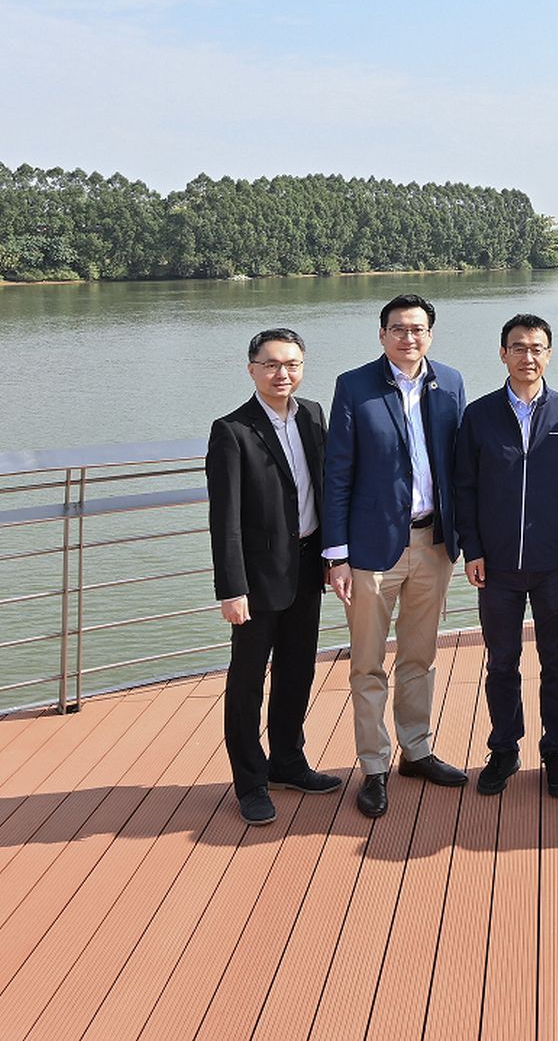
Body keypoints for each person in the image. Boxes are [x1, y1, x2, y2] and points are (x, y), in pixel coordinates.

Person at [323, 293, 469, 819]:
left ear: (430, 334)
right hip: (369, 551)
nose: (409, 338)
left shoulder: (449, 382)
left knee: (420, 655)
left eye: (418, 329)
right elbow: (337, 472)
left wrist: (465, 540)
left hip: (433, 544)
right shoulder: (355, 386)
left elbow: (461, 467)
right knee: (367, 662)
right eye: (398, 329)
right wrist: (336, 554)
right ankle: (374, 764)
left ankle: (417, 750)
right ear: (381, 334)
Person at [454, 314, 558, 798]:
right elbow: (465, 488)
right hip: (496, 566)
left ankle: (557, 749)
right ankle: (505, 748)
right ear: (503, 354)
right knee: (502, 662)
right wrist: (472, 549)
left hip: (555, 564)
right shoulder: (479, 415)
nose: (527, 356)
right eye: (518, 347)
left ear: (548, 354)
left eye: (536, 348)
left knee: (557, 662)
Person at [206, 328, 339, 825]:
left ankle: (288, 761)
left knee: (299, 669)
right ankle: (250, 781)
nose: (283, 373)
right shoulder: (232, 430)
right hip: (257, 580)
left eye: (292, 364)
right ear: (252, 369)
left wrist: (333, 555)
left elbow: (323, 488)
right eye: (271, 365)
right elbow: (226, 520)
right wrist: (231, 588)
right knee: (246, 683)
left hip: (307, 566)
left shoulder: (313, 416)